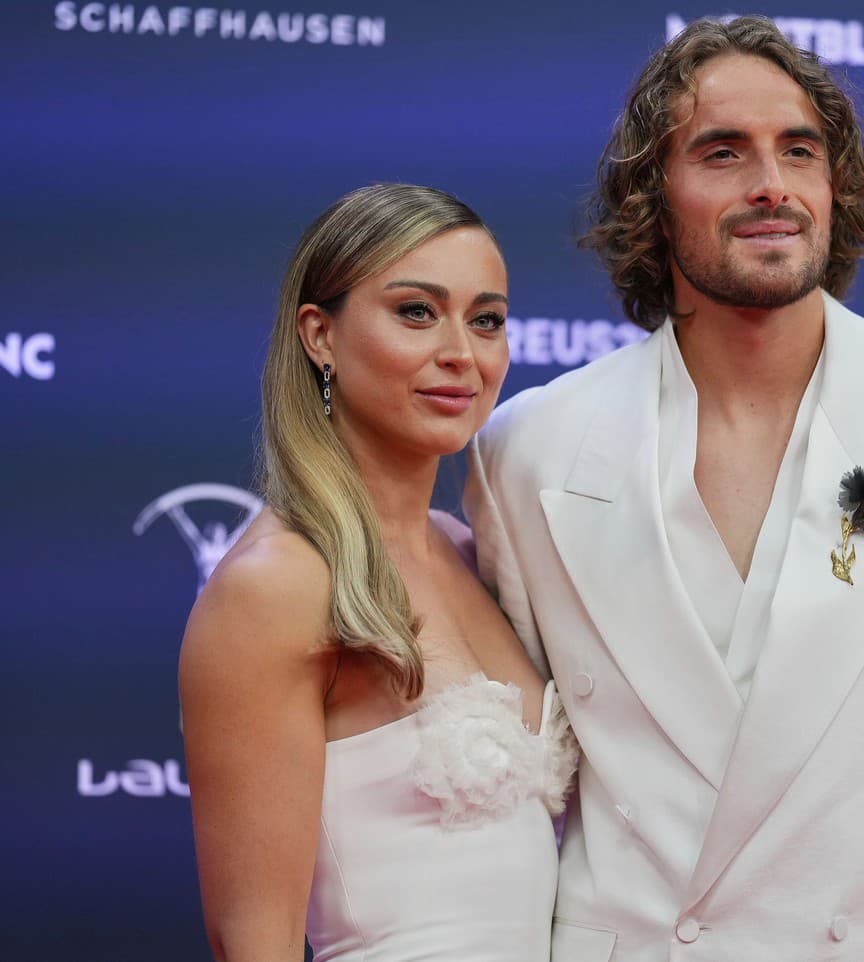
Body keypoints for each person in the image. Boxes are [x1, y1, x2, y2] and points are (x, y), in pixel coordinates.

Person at [465, 16, 864, 962]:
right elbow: (519, 806)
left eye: (799, 151)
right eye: (723, 152)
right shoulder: (527, 450)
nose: (771, 183)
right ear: (652, 195)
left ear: (835, 185)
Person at [180, 183, 577, 962]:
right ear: (320, 335)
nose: (461, 353)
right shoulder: (277, 584)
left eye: (486, 320)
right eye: (417, 312)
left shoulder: (465, 549)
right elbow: (252, 940)